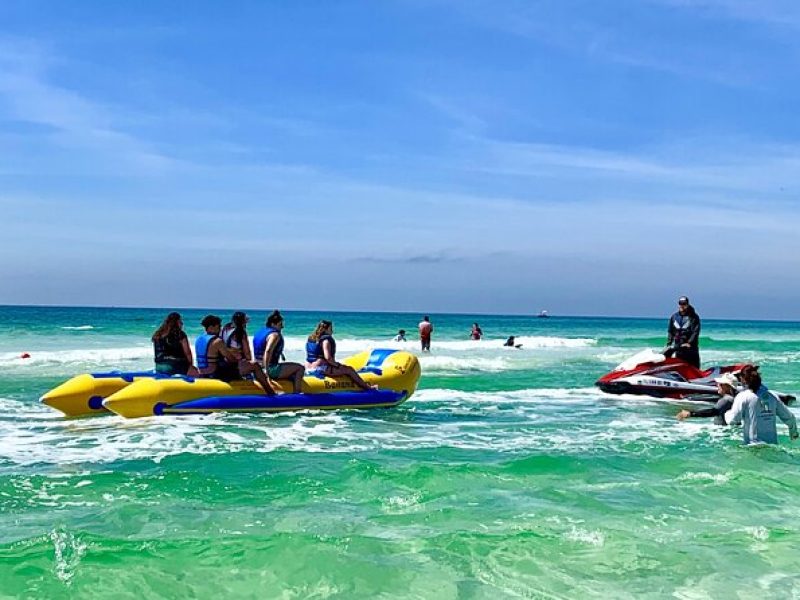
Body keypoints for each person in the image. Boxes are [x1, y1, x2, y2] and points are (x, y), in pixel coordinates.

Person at [195, 313, 274, 396]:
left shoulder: (199, 339)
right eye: (218, 327)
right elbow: (231, 359)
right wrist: (240, 360)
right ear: (211, 327)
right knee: (255, 365)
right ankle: (270, 393)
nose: (219, 329)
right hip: (217, 374)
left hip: (202, 373)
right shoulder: (217, 341)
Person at [725, 365, 798, 445]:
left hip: (752, 447)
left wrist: (727, 413)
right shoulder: (772, 396)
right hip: (772, 445)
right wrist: (793, 433)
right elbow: (790, 418)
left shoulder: (743, 397)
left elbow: (732, 420)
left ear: (743, 380)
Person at [305, 320, 377, 391]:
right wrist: (337, 365)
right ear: (326, 329)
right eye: (331, 329)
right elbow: (328, 358)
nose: (332, 331)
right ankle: (367, 388)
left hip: (308, 367)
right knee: (350, 370)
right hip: (321, 368)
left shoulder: (312, 338)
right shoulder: (325, 341)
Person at [253, 310, 304, 394]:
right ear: (273, 324)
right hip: (270, 369)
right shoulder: (274, 335)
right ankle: (297, 394)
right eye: (280, 324)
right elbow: (268, 351)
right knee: (300, 368)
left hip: (257, 368)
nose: (282, 327)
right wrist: (267, 372)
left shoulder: (259, 332)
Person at [664, 296, 701, 368]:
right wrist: (669, 343)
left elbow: (695, 332)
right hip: (678, 347)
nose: (682, 306)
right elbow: (670, 331)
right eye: (680, 304)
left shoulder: (693, 317)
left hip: (690, 348)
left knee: (694, 367)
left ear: (687, 304)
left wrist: (689, 343)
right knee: (680, 366)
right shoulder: (674, 317)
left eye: (684, 304)